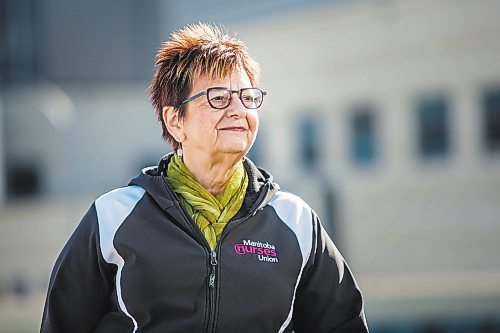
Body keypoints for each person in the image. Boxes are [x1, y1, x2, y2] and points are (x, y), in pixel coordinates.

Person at [41, 23, 369, 333]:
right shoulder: (113, 217)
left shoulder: (295, 222)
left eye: (248, 97)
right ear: (175, 120)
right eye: (218, 98)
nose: (238, 109)